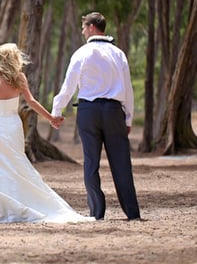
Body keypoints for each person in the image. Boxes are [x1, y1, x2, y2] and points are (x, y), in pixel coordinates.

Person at [0, 43, 95, 224]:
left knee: (1, 167)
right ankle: (20, 204)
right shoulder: (19, 78)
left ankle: (5, 210)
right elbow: (31, 102)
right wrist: (50, 118)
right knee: (17, 163)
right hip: (12, 125)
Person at [51, 12, 141, 221]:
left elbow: (68, 86)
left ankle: (97, 212)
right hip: (113, 112)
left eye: (83, 27)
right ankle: (132, 212)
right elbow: (127, 89)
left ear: (92, 27)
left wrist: (57, 111)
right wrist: (128, 118)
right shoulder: (119, 54)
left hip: (88, 112)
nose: (82, 31)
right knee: (121, 163)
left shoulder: (81, 53)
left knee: (91, 162)